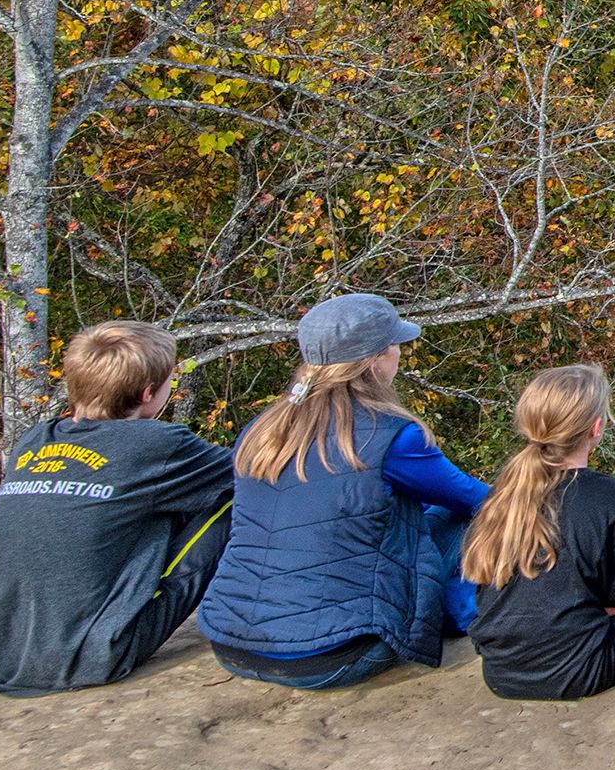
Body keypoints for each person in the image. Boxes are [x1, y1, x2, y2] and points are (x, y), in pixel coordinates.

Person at [196, 294, 487, 691]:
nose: (399, 353)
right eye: (395, 345)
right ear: (375, 359)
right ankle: (464, 614)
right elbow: (479, 499)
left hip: (230, 643)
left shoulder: (262, 429)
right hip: (335, 654)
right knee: (461, 517)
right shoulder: (392, 436)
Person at [0, 321, 234, 696]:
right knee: (232, 499)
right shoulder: (156, 443)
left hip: (4, 657)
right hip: (92, 656)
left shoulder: (35, 440)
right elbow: (256, 469)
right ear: (149, 393)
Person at [464, 364, 615, 701]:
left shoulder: (502, 494)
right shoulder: (610, 499)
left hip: (501, 674)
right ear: (597, 428)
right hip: (578, 671)